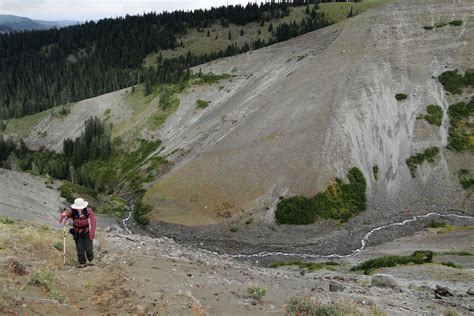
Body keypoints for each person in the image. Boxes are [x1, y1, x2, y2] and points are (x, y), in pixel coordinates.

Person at [60, 197, 96, 268]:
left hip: (87, 233)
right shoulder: (73, 212)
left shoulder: (88, 211)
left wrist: (92, 233)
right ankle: (82, 263)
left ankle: (91, 260)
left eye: (80, 207)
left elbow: (93, 222)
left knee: (88, 248)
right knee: (80, 249)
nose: (79, 209)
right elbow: (63, 221)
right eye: (78, 207)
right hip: (77, 233)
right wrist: (63, 215)